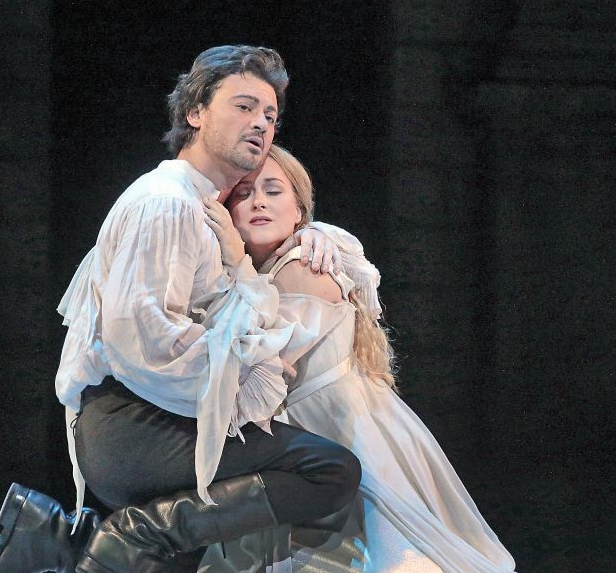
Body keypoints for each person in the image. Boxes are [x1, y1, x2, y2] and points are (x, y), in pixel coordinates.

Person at [0, 45, 361, 573]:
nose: (261, 123)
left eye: (270, 115)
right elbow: (146, 340)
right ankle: (129, 537)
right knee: (328, 470)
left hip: (149, 421)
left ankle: (59, 538)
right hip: (134, 426)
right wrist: (251, 367)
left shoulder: (201, 204)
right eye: (243, 106)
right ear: (195, 112)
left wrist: (313, 235)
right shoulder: (167, 203)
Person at [199, 144, 517, 572]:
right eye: (243, 193)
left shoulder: (303, 267)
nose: (257, 201)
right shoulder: (268, 270)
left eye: (273, 191)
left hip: (342, 434)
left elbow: (260, 365)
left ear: (299, 211)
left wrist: (241, 260)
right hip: (316, 439)